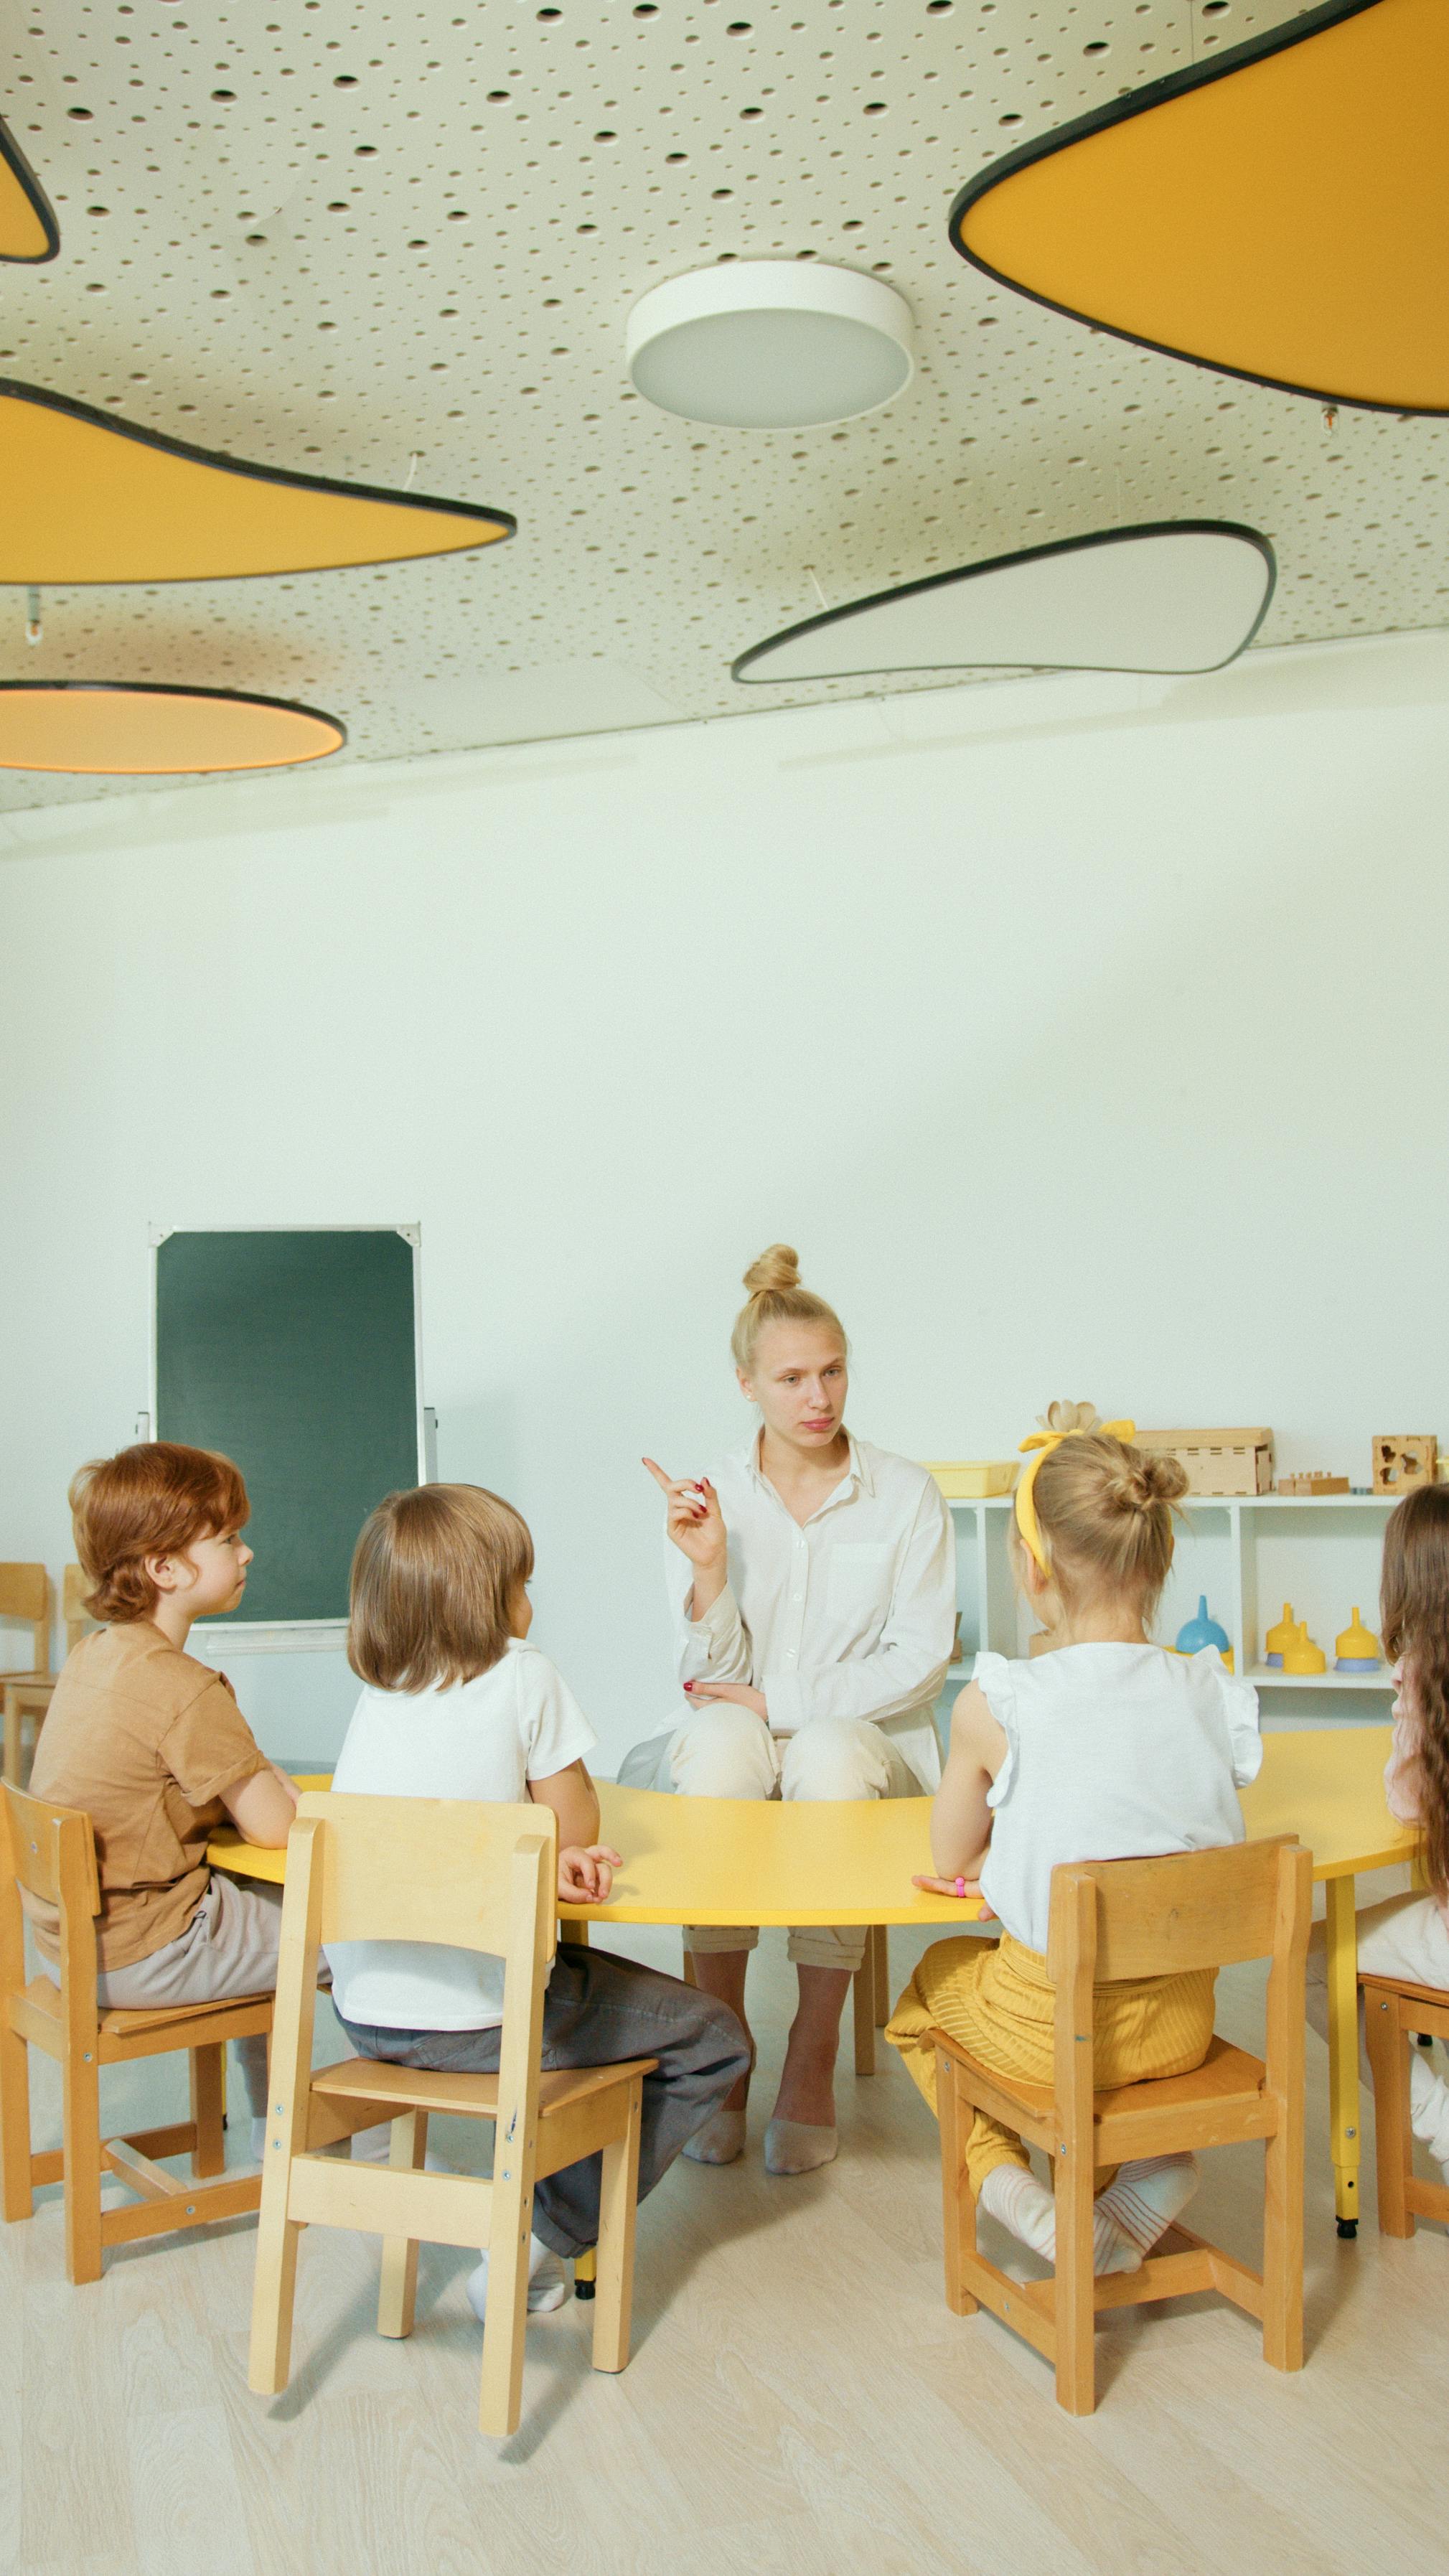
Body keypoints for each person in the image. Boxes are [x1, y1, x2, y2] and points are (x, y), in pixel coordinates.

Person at [327, 1483, 751, 2323]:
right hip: (480, 2014)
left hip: (368, 2013)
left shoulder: (376, 1697)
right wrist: (557, 1838)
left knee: (581, 1987)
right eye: (521, 1582)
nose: (531, 1600)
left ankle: (537, 2212)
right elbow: (575, 1825)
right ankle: (533, 2236)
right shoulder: (524, 1675)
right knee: (713, 2039)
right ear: (489, 1600)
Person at [886, 1405, 1262, 2273]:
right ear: (1160, 1557)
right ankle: (1154, 2163)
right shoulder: (1214, 1694)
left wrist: (1005, 1860)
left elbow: (950, 1857)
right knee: (1118, 1996)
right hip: (1182, 2022)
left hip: (1049, 2029)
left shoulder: (1001, 1701)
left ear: (1032, 1567)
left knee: (921, 2000)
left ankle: (1020, 2196)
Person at [627, 1243, 955, 2176]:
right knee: (724, 1740)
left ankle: (811, 2052)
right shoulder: (710, 1497)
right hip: (742, 1734)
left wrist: (788, 1698)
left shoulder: (904, 1492)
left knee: (823, 1751)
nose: (818, 1396)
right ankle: (722, 2050)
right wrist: (706, 1571)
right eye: (791, 1377)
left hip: (867, 1750)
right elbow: (707, 1680)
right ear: (746, 1383)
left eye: (831, 1371)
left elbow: (921, 1661)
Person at [25, 1442, 300, 2148]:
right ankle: (325, 2147)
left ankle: (283, 2130)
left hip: (77, 1947)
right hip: (150, 1949)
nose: (247, 1555)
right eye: (229, 1538)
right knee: (357, 1930)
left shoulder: (96, 1653)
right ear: (165, 1567)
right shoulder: (182, 1688)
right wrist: (282, 1789)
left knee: (278, 1923)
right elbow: (277, 1826)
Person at [1305, 1482, 1449, 2177]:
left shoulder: (1427, 1677)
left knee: (1311, 1962)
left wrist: (1405, 1693)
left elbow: (1407, 1803)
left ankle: (1440, 2123)